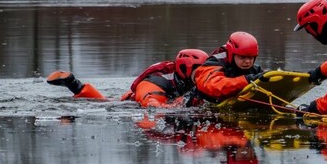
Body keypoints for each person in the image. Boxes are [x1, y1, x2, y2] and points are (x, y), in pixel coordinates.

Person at [46, 48, 209, 109]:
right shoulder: (156, 81)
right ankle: (73, 84)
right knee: (105, 103)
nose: (204, 76)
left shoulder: (188, 80)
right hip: (135, 102)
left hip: (163, 97)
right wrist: (184, 100)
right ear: (185, 68)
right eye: (199, 72)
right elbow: (152, 107)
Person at [192, 31, 265, 102]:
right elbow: (215, 87)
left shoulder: (256, 70)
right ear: (231, 55)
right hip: (196, 104)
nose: (247, 61)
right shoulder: (213, 64)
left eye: (251, 58)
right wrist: (247, 80)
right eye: (242, 57)